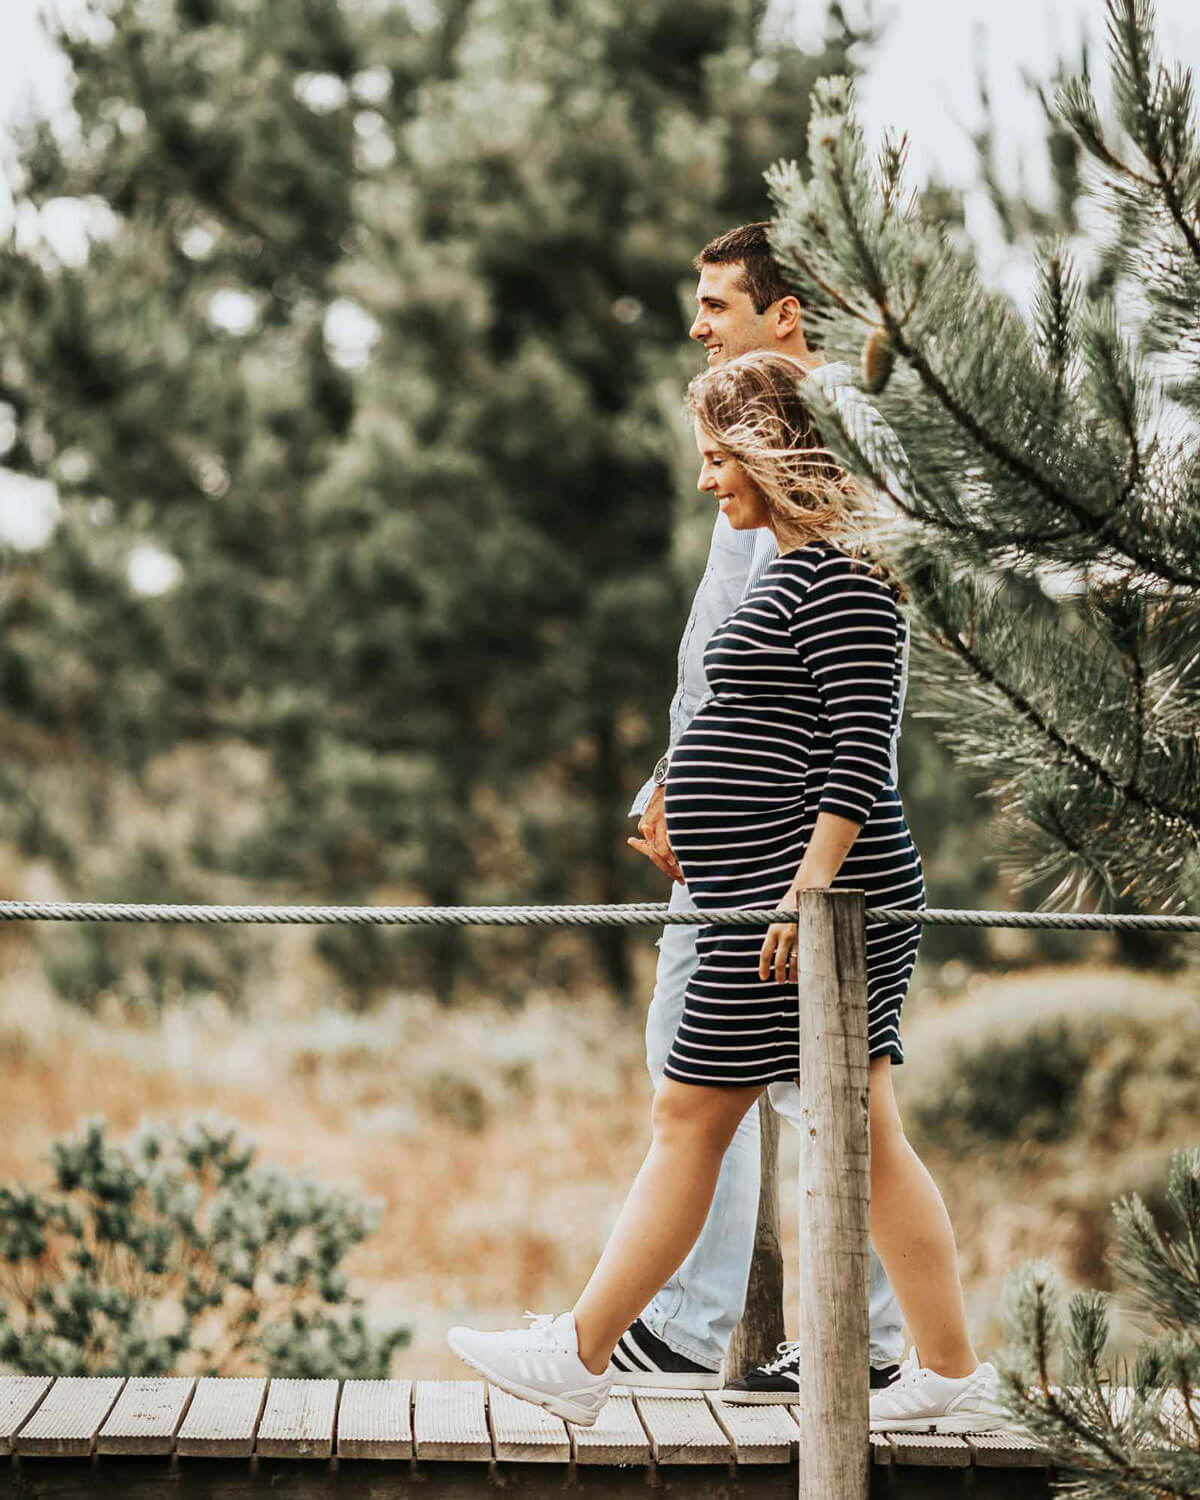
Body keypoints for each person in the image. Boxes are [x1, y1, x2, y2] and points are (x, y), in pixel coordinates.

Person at [448, 345, 1005, 1436]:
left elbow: (858, 755)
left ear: (774, 451)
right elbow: (773, 738)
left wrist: (808, 891)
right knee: (834, 1126)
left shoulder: (845, 572)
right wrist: (700, 824)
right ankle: (946, 1373)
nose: (709, 482)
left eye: (720, 459)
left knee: (699, 1117)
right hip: (766, 899)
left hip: (808, 913)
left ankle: (584, 1351)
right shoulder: (802, 566)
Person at [618, 221, 906, 1404]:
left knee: (785, 1092)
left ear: (784, 314)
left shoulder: (798, 460)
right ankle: (858, 1338)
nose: (698, 320)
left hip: (775, 862)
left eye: (719, 301)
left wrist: (755, 835)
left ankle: (721, 1331)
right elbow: (723, 664)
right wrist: (673, 778)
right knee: (786, 1091)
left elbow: (813, 691)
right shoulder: (759, 441)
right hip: (739, 843)